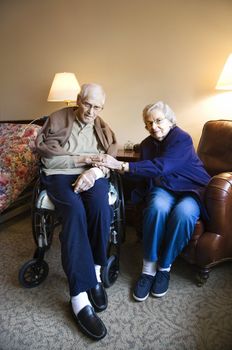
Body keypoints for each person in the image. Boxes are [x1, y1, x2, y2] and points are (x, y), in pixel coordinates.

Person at [89, 101, 211, 302]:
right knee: (156, 207)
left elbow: (161, 166)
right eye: (149, 123)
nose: (154, 126)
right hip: (164, 187)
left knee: (185, 214)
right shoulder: (146, 144)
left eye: (159, 120)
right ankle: (148, 268)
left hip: (191, 188)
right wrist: (109, 169)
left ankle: (164, 267)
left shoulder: (182, 138)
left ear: (170, 120)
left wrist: (122, 165)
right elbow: (144, 173)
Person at [35, 83, 117, 340]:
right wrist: (84, 159)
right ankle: (79, 297)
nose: (92, 111)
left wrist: (95, 171)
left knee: (101, 207)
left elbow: (108, 157)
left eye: (98, 107)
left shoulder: (102, 127)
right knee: (74, 211)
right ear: (78, 100)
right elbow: (48, 157)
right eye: (87, 104)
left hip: (92, 173)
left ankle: (94, 273)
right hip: (59, 175)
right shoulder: (58, 119)